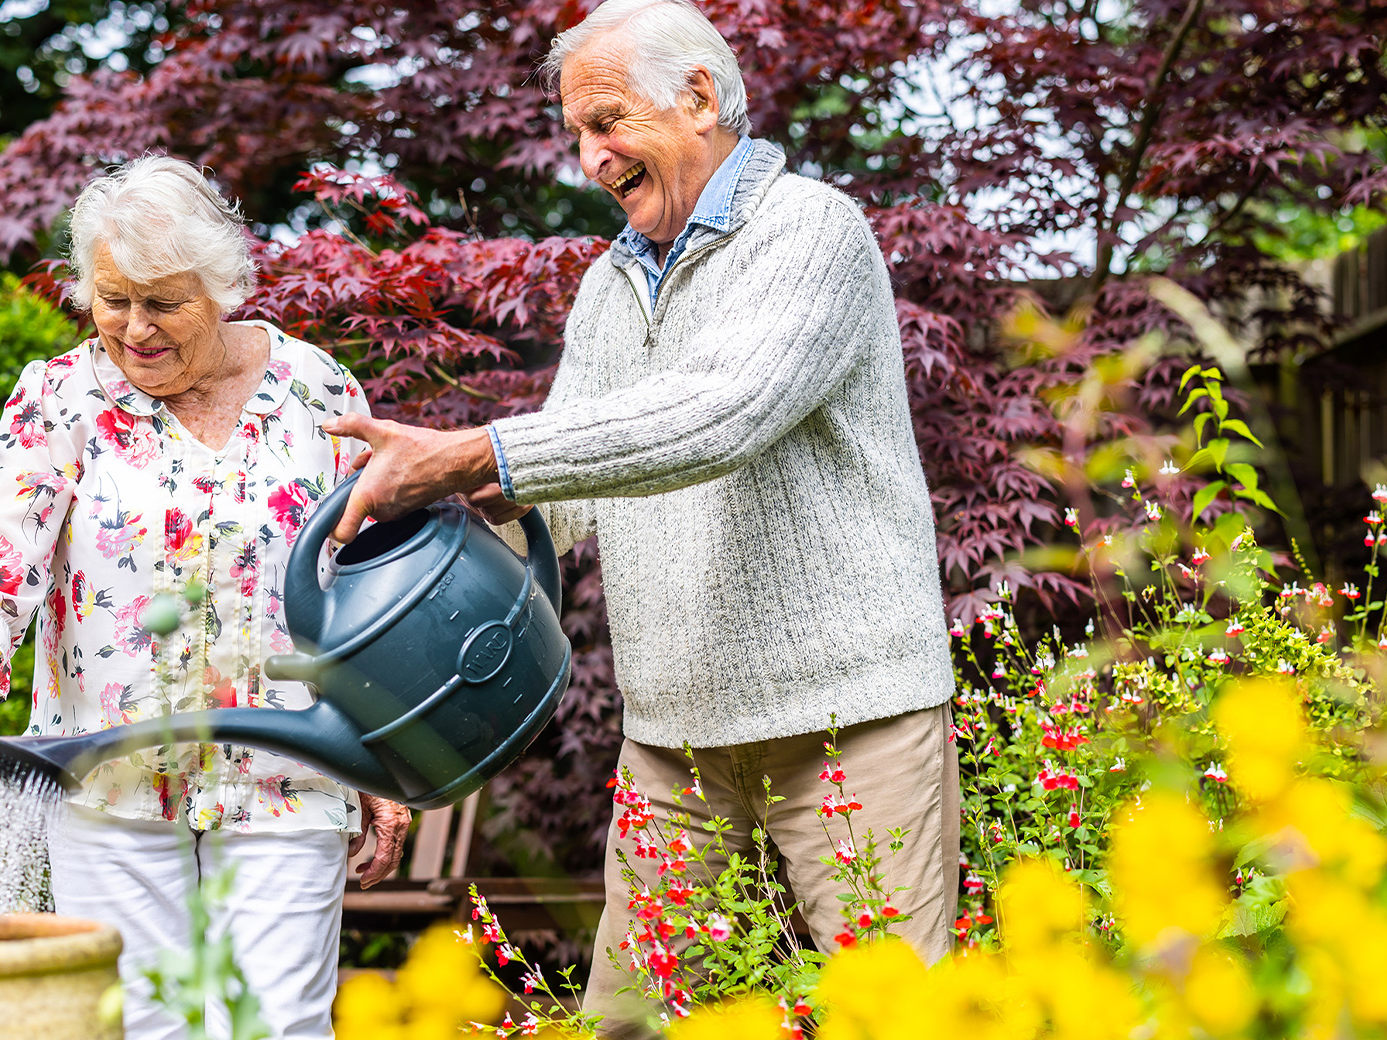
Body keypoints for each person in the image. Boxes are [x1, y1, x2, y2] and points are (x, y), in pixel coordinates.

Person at [315, 0, 958, 1033]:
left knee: (894, 1019)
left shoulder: (812, 231)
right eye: (576, 133)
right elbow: (563, 492)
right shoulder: (612, 285)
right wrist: (415, 536)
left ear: (699, 96)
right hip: (675, 737)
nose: (589, 155)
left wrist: (487, 453)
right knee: (630, 1021)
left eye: (607, 120)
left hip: (852, 716)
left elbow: (722, 411)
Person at [0, 156, 410, 1040]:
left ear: (222, 287)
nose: (136, 328)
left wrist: (383, 759)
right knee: (136, 1024)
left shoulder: (318, 390)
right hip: (107, 776)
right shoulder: (62, 394)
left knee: (278, 1025)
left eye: (164, 301)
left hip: (289, 770)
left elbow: (363, 584)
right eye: (114, 300)